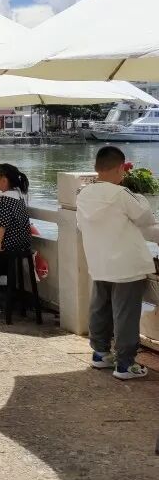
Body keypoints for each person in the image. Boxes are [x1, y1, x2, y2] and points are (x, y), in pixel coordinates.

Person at [77, 146, 159, 380]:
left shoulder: (83, 195)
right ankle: (125, 364)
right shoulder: (122, 194)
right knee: (125, 315)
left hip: (99, 262)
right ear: (121, 168)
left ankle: (100, 353)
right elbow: (146, 218)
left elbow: (81, 225)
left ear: (96, 168)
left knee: (100, 308)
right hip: (127, 265)